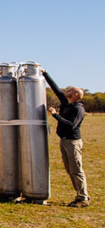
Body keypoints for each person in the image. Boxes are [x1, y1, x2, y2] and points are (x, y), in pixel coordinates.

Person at [42, 69, 88, 207]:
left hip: (72, 142)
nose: (67, 90)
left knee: (76, 170)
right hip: (64, 140)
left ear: (75, 95)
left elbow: (72, 125)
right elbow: (55, 87)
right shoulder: (66, 102)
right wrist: (45, 74)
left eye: (70, 90)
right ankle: (79, 195)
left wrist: (55, 115)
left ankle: (83, 198)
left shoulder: (78, 109)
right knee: (70, 170)